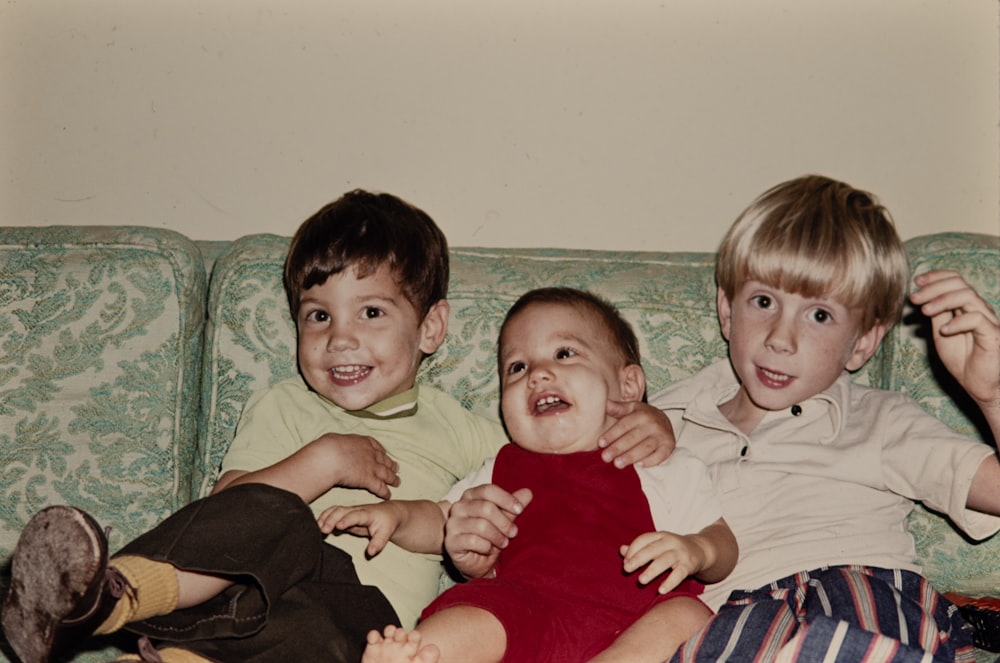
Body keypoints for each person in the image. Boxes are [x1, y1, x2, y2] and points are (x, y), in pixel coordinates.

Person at [1, 191, 675, 663]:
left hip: (345, 632)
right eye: (318, 315)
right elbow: (225, 509)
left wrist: (647, 421)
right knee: (282, 515)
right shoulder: (285, 408)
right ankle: (108, 599)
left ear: (431, 327)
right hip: (218, 594)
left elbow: (551, 470)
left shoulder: (467, 432)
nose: (340, 338)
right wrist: (322, 461)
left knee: (328, 629)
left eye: (372, 313)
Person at [444, 176, 1000, 662]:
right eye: (763, 303)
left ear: (863, 342)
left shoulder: (884, 421)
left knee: (856, 633)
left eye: (820, 315)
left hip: (855, 588)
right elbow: (563, 536)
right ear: (726, 310)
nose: (781, 339)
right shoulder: (656, 421)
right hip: (729, 618)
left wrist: (992, 394)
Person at [319, 287, 738, 663]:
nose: (537, 373)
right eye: (516, 368)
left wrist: (697, 550)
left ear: (628, 385)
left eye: (564, 354)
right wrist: (396, 516)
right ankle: (419, 657)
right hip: (525, 609)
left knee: (688, 615)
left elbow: (722, 542)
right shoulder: (503, 466)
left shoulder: (659, 462)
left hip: (634, 617)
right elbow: (444, 518)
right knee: (474, 614)